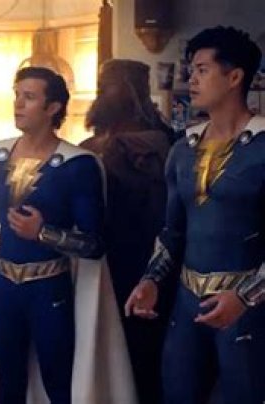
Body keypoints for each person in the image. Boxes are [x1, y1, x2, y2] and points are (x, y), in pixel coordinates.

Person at [0, 66, 134, 404]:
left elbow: (94, 244)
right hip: (4, 291)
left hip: (49, 291)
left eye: (29, 97)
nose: (18, 104)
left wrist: (42, 233)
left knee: (59, 385)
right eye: (17, 95)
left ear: (53, 108)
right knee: (9, 385)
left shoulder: (78, 165)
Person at [125, 26, 265, 404]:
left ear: (234, 77)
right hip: (187, 303)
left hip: (248, 308)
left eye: (203, 70)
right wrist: (151, 280)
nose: (192, 80)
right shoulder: (182, 150)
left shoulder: (262, 148)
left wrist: (245, 298)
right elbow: (172, 232)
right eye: (191, 70)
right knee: (177, 392)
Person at [80, 59, 176, 404]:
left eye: (109, 83)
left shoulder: (159, 144)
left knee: (140, 355)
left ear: (131, 90)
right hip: (96, 261)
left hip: (141, 262)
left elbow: (163, 210)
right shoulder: (91, 145)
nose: (100, 89)